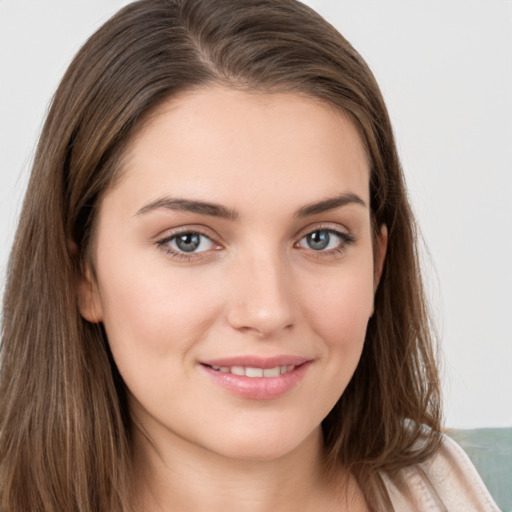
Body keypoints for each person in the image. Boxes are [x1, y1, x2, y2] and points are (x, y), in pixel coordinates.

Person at [0, 0, 500, 511]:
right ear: (82, 274)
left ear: (376, 262)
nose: (268, 310)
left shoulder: (463, 486)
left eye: (321, 238)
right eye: (188, 240)